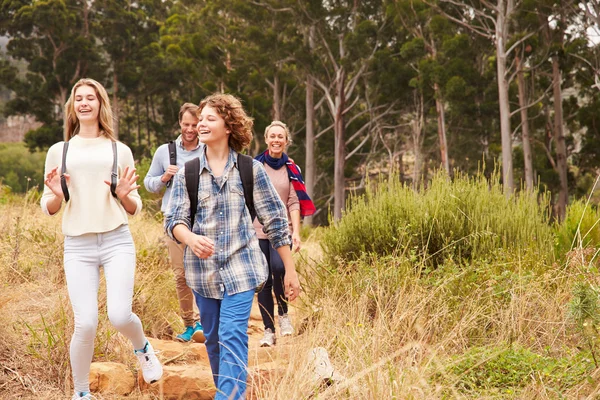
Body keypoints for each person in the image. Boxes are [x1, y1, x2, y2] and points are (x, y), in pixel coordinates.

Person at [164, 94, 301, 400]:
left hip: (242, 268)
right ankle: (228, 390)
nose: (201, 124)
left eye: (210, 118)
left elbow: (277, 223)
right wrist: (191, 239)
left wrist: (289, 270)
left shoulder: (250, 170)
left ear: (228, 126)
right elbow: (174, 220)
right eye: (200, 119)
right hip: (202, 274)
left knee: (232, 334)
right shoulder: (188, 172)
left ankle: (228, 397)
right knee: (212, 339)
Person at [41, 78, 162, 400]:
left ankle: (143, 348)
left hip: (116, 240)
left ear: (100, 104)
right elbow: (49, 207)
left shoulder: (118, 150)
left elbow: (134, 208)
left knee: (120, 314)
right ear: (72, 106)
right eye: (78, 98)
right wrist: (55, 194)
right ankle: (81, 393)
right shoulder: (59, 151)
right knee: (86, 324)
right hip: (77, 245)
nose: (84, 103)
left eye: (90, 98)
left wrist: (124, 195)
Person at [144, 103, 204, 343]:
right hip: (173, 220)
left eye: (194, 125)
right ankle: (189, 325)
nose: (190, 130)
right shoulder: (164, 152)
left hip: (202, 219)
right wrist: (164, 177)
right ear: (179, 123)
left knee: (201, 272)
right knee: (181, 275)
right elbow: (149, 184)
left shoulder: (208, 150)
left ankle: (205, 323)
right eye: (186, 124)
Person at [253, 120, 315, 347]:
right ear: (266, 139)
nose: (276, 140)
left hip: (282, 230)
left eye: (281, 136)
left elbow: (293, 202)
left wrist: (296, 232)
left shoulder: (292, 168)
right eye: (273, 136)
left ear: (286, 140)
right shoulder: (255, 166)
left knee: (280, 269)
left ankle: (284, 315)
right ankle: (268, 329)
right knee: (263, 278)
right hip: (257, 230)